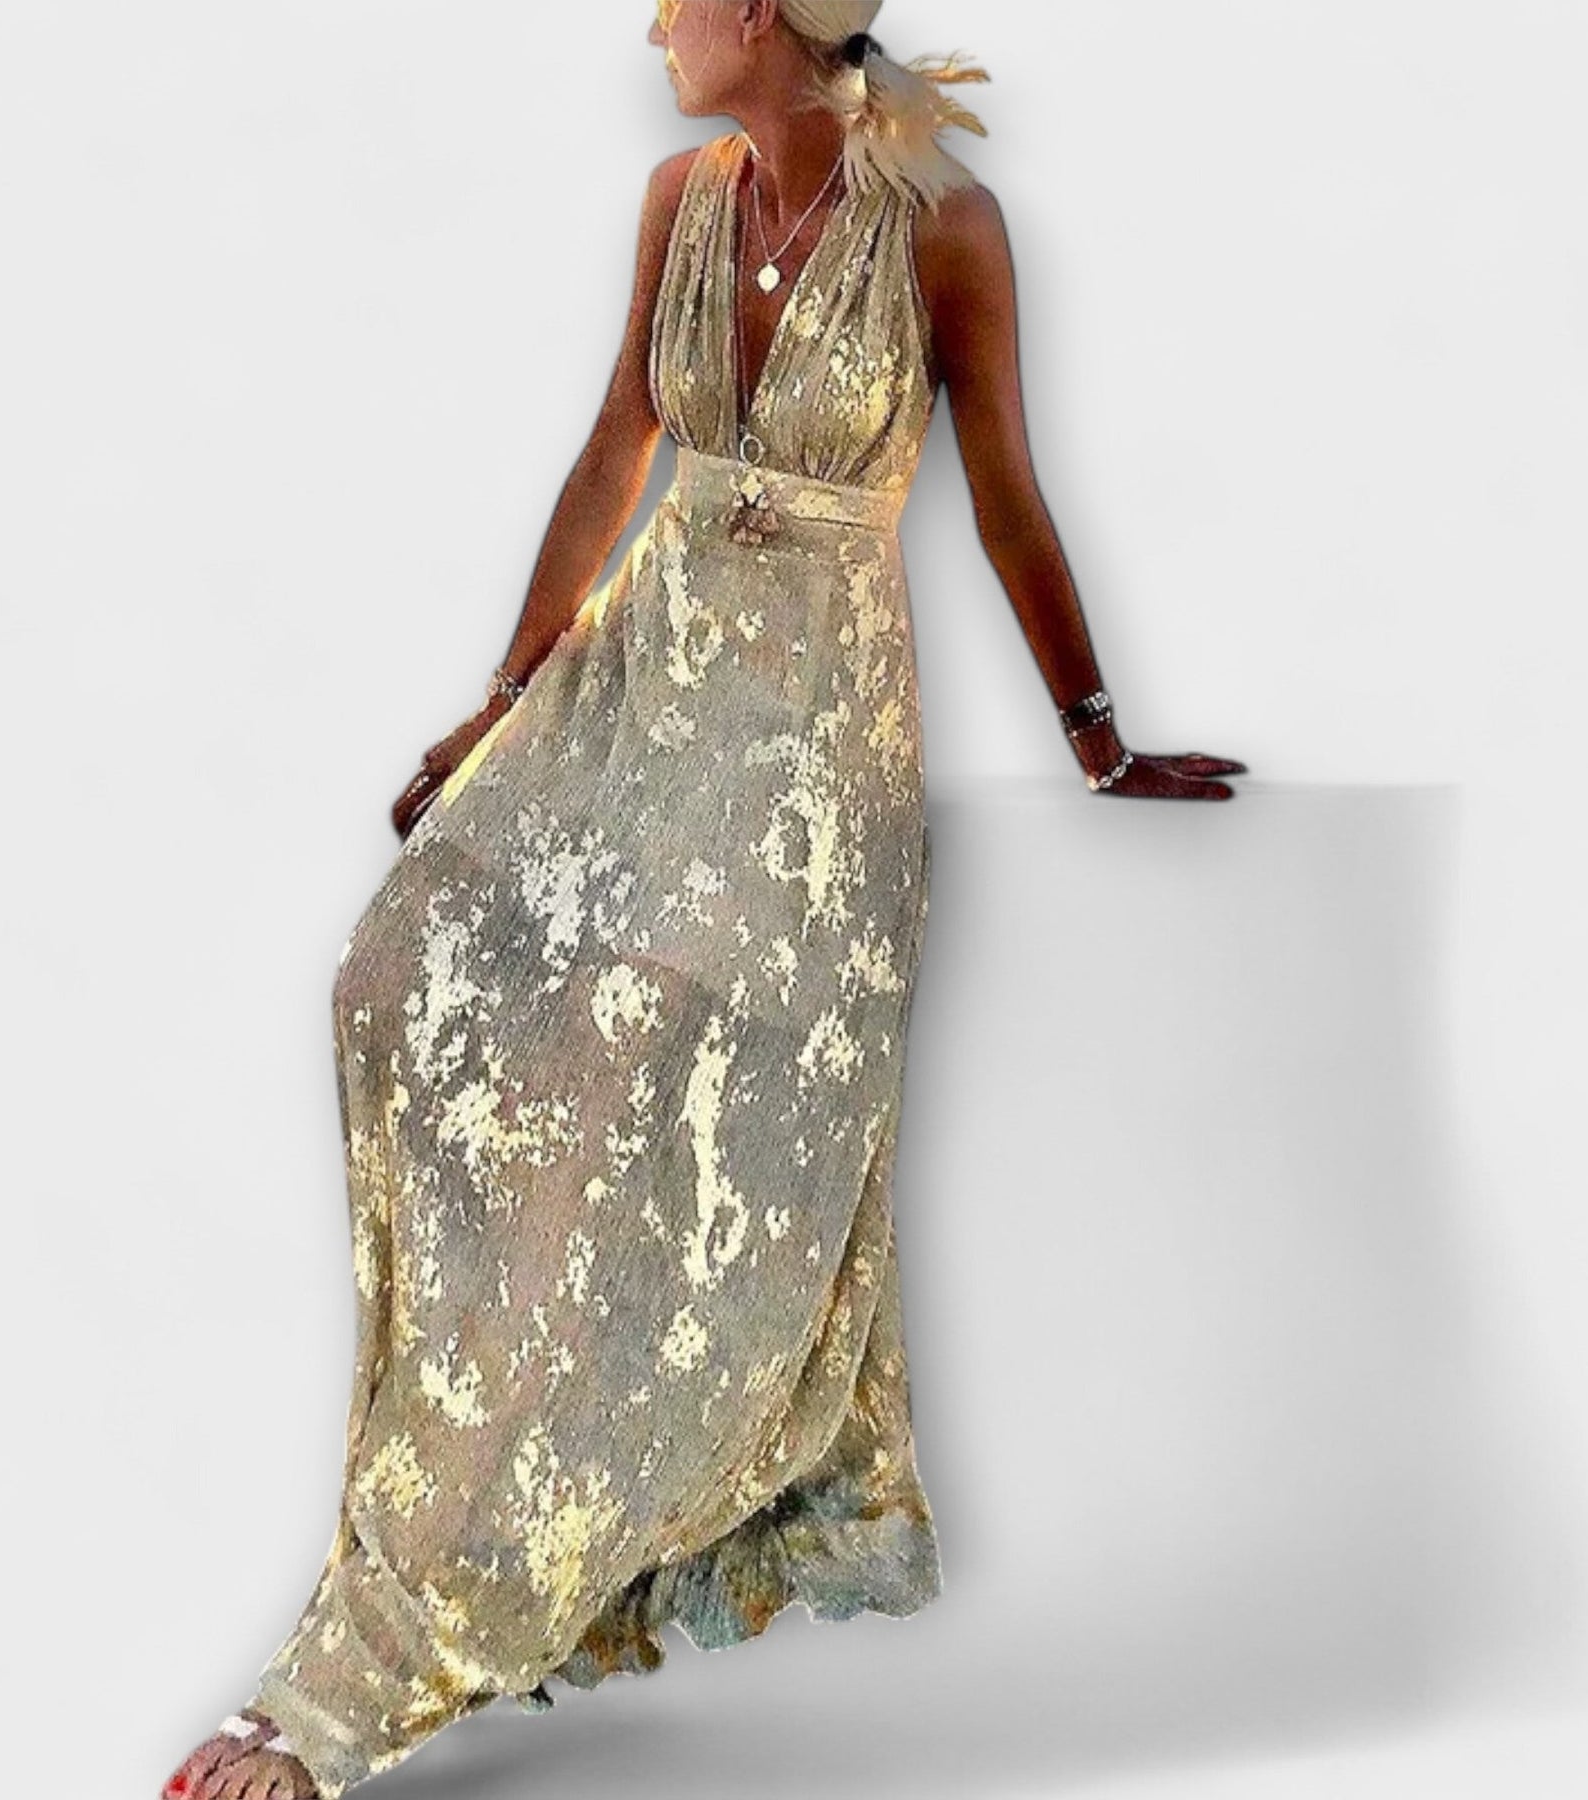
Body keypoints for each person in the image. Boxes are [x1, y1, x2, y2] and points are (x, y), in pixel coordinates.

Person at [160, 3, 1247, 1796]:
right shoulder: (680, 201)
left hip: (814, 729)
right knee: (392, 969)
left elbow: (1005, 496)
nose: (651, 22)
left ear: (756, 12)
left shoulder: (947, 230)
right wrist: (506, 699)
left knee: (651, 1042)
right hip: (641, 684)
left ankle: (429, 1617)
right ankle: (491, 1479)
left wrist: (1098, 740)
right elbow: (620, 451)